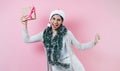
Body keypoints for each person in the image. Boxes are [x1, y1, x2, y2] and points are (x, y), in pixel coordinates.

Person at [21, 9, 100, 71]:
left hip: (70, 61)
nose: (55, 22)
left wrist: (93, 42)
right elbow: (27, 39)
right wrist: (24, 25)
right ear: (50, 20)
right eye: (53, 19)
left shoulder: (67, 33)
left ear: (62, 21)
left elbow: (79, 46)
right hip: (56, 64)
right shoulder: (44, 34)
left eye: (58, 20)